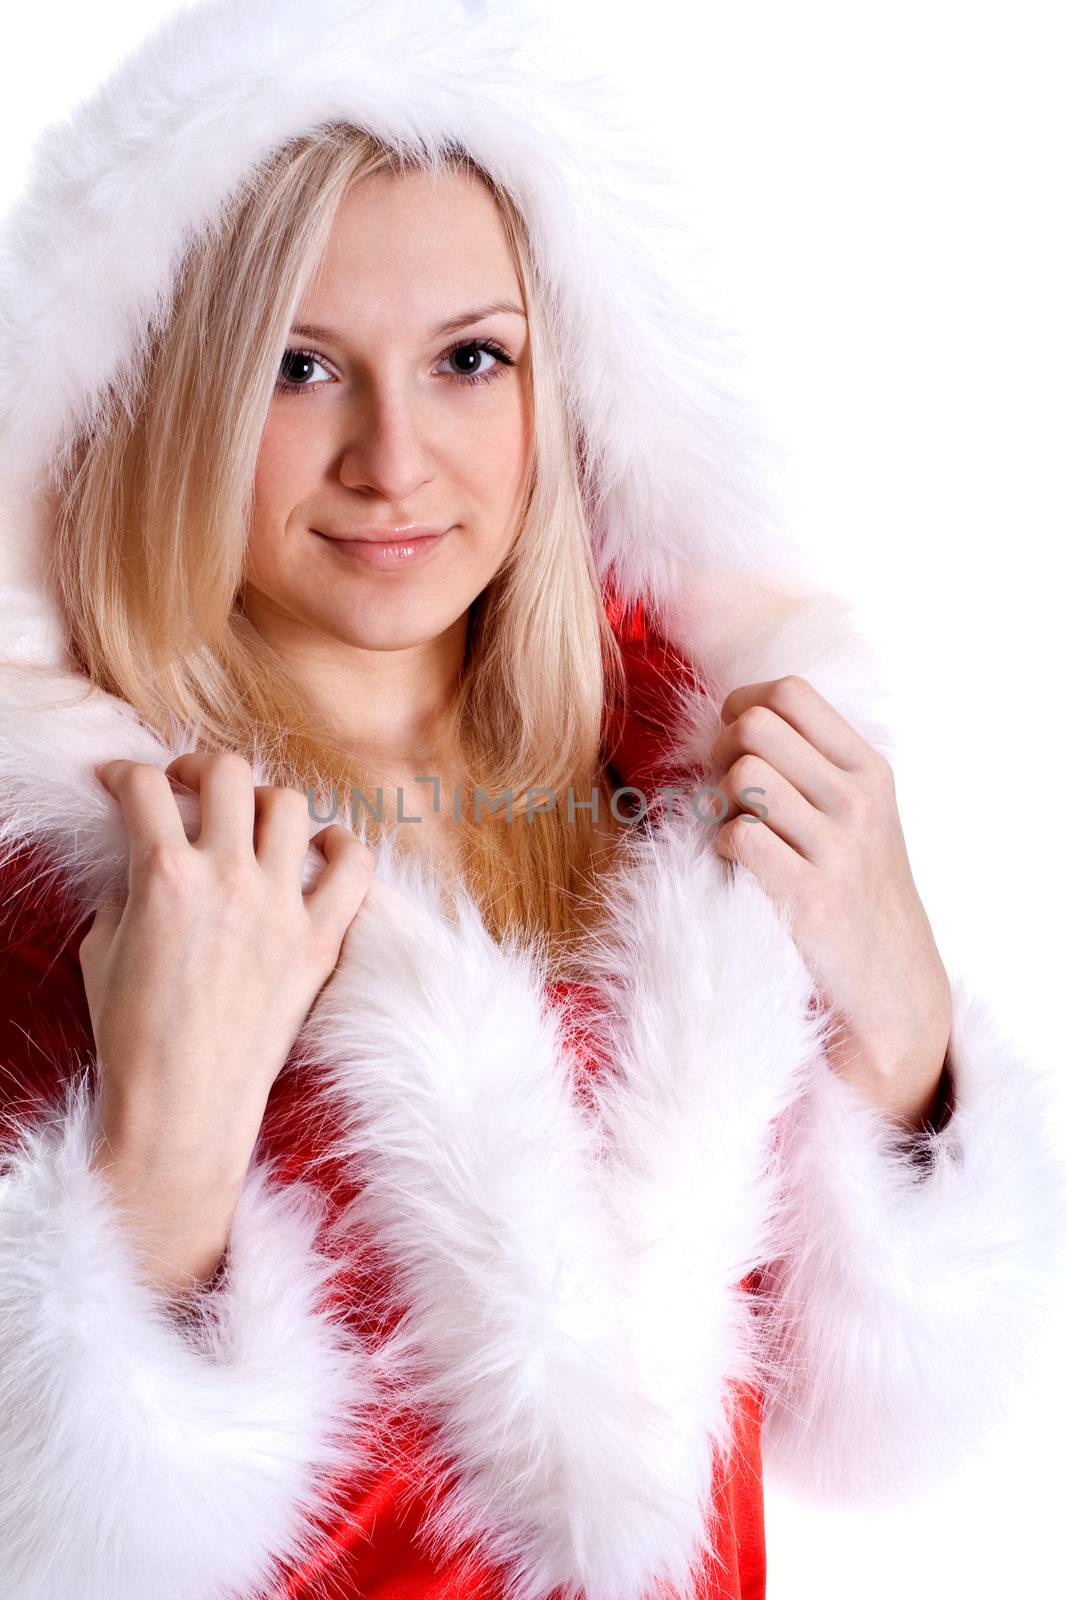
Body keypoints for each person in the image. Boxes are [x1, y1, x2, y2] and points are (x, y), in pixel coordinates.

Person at [0, 2, 1061, 1598]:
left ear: (557, 383)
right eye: (299, 367)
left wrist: (902, 1015)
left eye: (469, 359)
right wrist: (162, 1150)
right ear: (171, 389)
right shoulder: (64, 861)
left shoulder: (693, 765)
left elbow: (873, 1420)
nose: (394, 460)